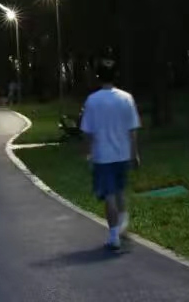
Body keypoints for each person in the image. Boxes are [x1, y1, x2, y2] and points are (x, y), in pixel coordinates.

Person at [80, 58, 141, 251]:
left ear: (98, 77)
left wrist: (88, 153)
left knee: (109, 196)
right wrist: (135, 153)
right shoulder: (126, 98)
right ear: (116, 76)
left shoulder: (92, 100)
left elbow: (87, 131)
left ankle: (114, 236)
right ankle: (123, 225)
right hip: (122, 154)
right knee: (120, 190)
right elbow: (132, 130)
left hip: (102, 155)